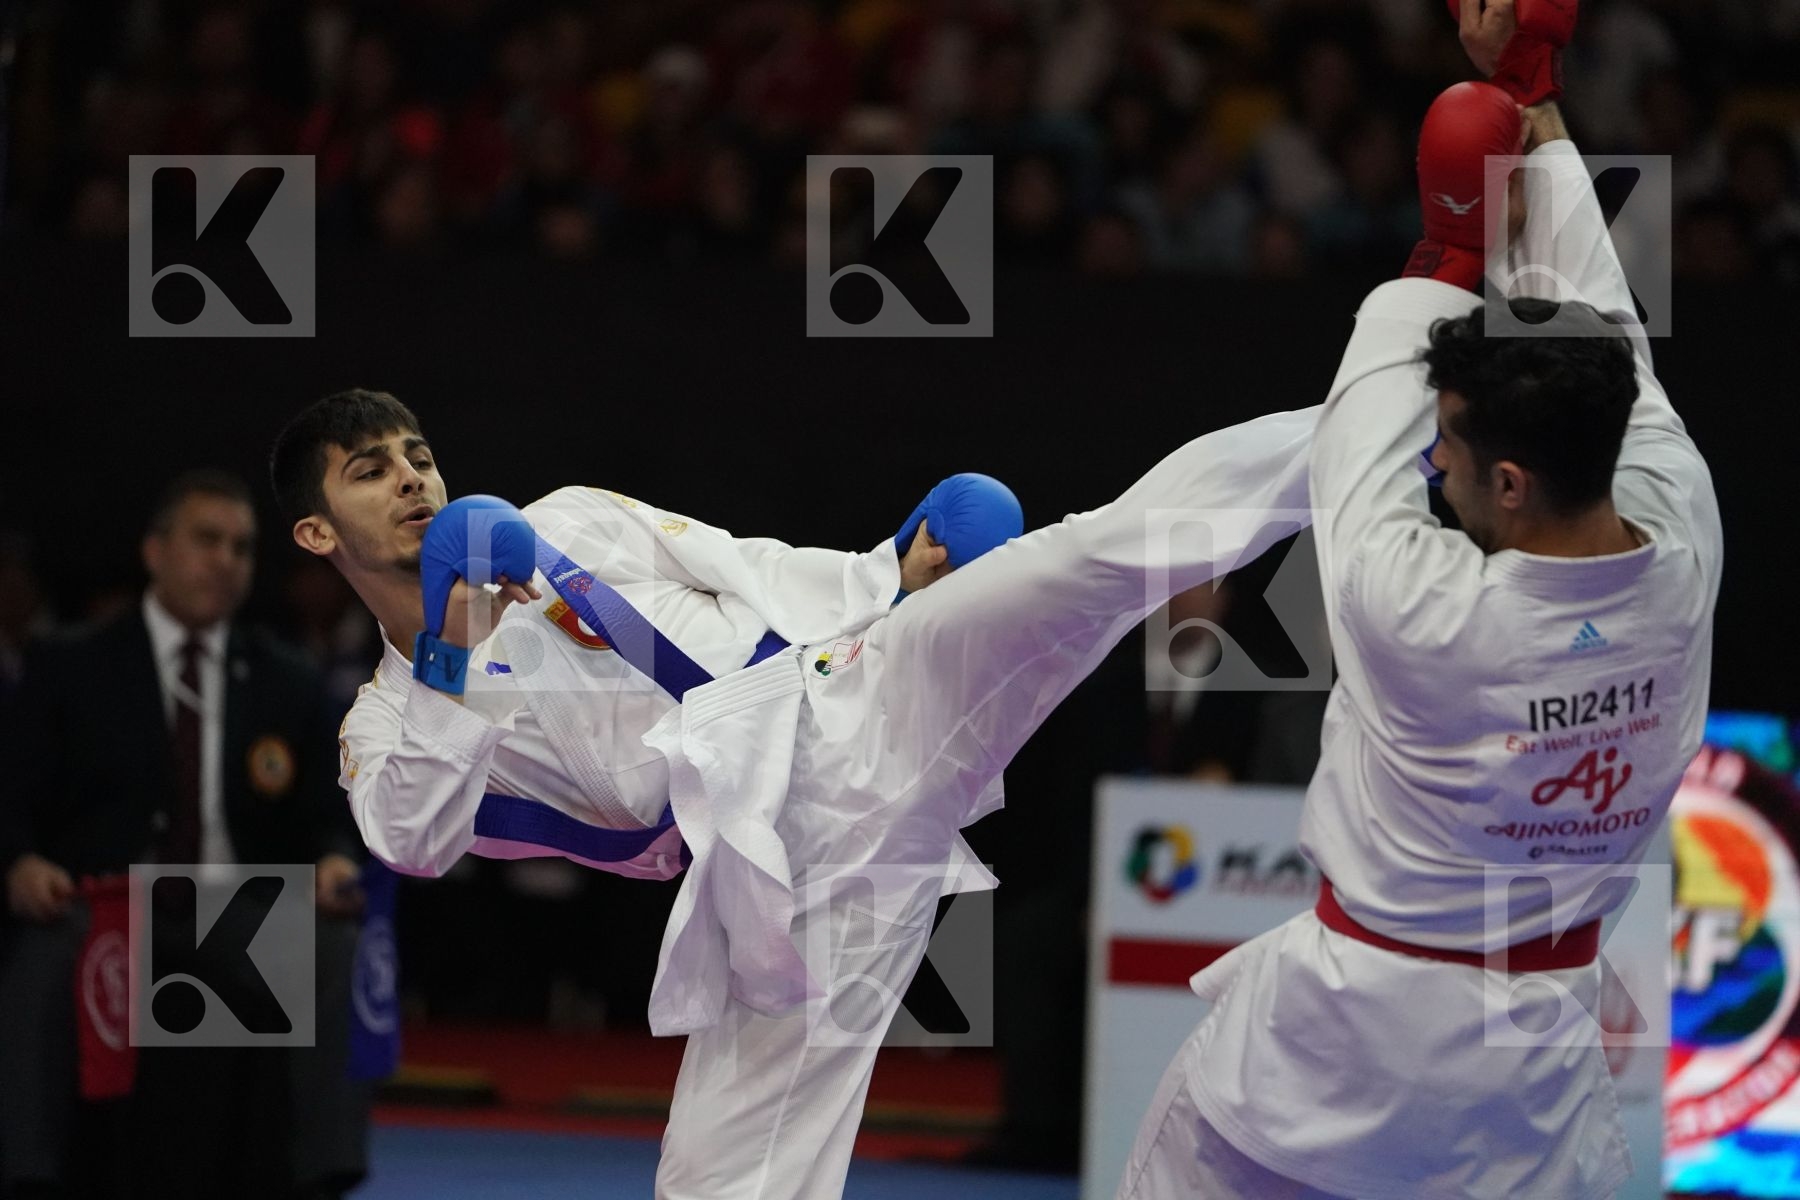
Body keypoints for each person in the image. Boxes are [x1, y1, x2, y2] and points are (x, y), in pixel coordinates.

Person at [272, 374, 1320, 1196]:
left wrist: (880, 577)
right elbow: (412, 837)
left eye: (418, 456)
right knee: (719, 1187)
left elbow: (742, 569)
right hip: (771, 890)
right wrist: (455, 646)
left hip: (855, 711)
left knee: (1101, 552)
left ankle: (1372, 417)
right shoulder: (386, 723)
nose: (412, 479)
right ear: (316, 533)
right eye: (370, 471)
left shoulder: (566, 524)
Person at [1115, 3, 1722, 1196]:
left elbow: (1367, 419)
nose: (1431, 463)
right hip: (1534, 1072)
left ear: (1507, 478)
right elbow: (1607, 334)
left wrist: (1450, 237)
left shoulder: (1426, 613)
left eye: (1450, 449)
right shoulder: (1682, 539)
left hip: (1334, 1048)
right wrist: (1531, 87)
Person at [0, 470, 373, 1199]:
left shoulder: (286, 678)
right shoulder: (73, 665)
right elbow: (12, 798)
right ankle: (31, 1174)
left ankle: (321, 1171)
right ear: (154, 550)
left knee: (335, 942)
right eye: (207, 540)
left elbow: (326, 815)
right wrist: (19, 863)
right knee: (42, 947)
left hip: (238, 916)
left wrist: (333, 859)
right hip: (103, 911)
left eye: (241, 547)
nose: (226, 560)